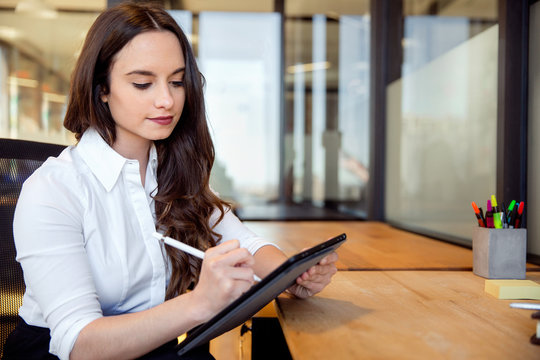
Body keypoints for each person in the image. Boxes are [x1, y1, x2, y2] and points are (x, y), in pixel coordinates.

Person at [2, 2, 338, 360]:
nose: (167, 100)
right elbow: (79, 343)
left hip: (154, 349)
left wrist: (293, 277)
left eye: (177, 82)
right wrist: (200, 304)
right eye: (143, 83)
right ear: (101, 88)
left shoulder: (175, 173)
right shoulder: (54, 189)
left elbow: (249, 248)